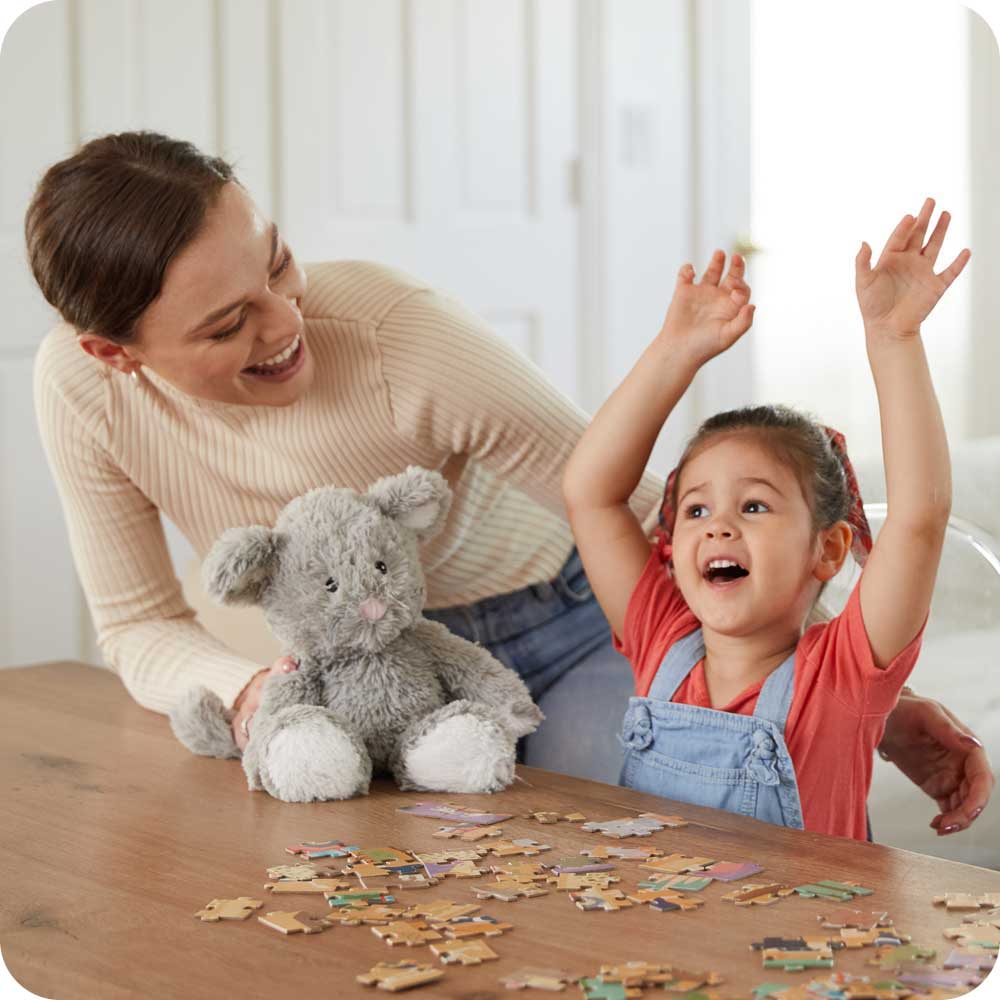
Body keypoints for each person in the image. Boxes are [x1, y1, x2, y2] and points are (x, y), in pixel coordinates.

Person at [25, 132, 991, 835]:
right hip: (371, 674)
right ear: (114, 353)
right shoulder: (80, 391)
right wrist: (253, 696)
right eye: (228, 325)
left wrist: (844, 698)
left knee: (629, 828)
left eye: (280, 265)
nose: (284, 324)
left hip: (573, 628)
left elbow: (635, 508)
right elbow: (138, 624)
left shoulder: (403, 338)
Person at [562, 200, 987, 840]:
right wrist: (674, 351)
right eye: (697, 508)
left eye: (754, 505)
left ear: (828, 550)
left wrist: (893, 339)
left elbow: (918, 518)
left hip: (806, 942)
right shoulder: (661, 636)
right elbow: (591, 493)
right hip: (660, 937)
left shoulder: (844, 674)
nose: (718, 526)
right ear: (672, 544)